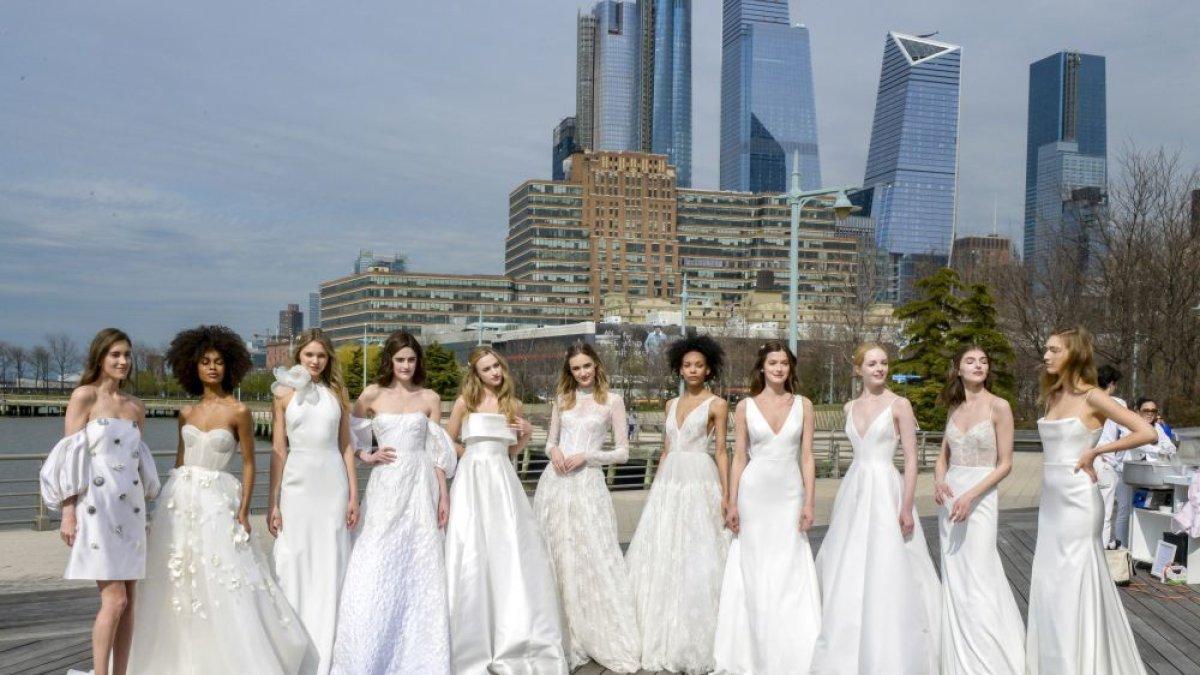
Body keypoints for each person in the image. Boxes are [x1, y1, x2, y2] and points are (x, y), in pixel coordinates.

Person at [129, 325, 312, 673]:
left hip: (217, 502)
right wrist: (161, 509)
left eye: (218, 362)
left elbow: (249, 463)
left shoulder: (238, 411)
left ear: (229, 366)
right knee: (178, 577)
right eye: (205, 362)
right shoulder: (186, 412)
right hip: (179, 500)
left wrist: (244, 510)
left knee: (223, 576)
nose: (212, 368)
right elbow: (180, 462)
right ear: (193, 367)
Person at [1027, 326, 1154, 674]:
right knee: (1050, 583)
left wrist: (1097, 450)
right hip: (1051, 503)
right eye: (1046, 349)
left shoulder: (1093, 396)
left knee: (1074, 581)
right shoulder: (1052, 395)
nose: (1046, 355)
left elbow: (1147, 431)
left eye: (1054, 350)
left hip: (1079, 502)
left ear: (1075, 354)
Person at [809, 343, 940, 675]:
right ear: (858, 370)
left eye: (883, 362)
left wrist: (906, 505)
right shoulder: (849, 406)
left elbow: (911, 459)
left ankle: (889, 646)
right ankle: (848, 645)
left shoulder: (900, 405)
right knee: (849, 562)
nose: (879, 368)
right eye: (872, 364)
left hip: (886, 488)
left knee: (889, 562)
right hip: (854, 489)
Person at [332, 331, 457, 674]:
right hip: (386, 486)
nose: (406, 365)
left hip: (420, 487)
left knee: (419, 561)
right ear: (390, 360)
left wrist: (443, 494)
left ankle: (417, 656)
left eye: (411, 359)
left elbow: (436, 450)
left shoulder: (430, 397)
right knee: (374, 558)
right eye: (400, 359)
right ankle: (366, 652)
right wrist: (366, 455)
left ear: (418, 362)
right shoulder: (372, 394)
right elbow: (349, 436)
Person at [39, 328, 160, 675]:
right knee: (115, 599)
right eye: (115, 354)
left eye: (127, 355)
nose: (123, 361)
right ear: (100, 357)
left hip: (131, 508)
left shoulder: (136, 406)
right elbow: (69, 458)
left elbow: (135, 461)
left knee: (130, 601)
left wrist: (147, 513)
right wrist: (68, 512)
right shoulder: (84, 397)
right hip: (96, 506)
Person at [444, 346, 568, 674]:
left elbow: (513, 449)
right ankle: (468, 637)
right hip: (472, 478)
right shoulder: (464, 402)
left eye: (497, 366)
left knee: (507, 548)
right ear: (476, 373)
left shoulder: (512, 404)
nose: (495, 372)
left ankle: (513, 631)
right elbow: (446, 441)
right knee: (472, 546)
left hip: (502, 478)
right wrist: (472, 454)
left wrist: (524, 434)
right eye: (487, 368)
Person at [713, 341, 821, 674]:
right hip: (754, 494)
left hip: (789, 493)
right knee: (753, 565)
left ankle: (793, 647)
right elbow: (739, 457)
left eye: (784, 363)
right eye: (773, 362)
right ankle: (752, 647)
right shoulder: (745, 406)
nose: (778, 368)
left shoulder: (804, 405)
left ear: (791, 368)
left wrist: (810, 500)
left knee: (789, 565)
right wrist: (731, 501)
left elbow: (807, 457)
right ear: (762, 367)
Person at [626, 335, 731, 674]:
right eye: (687, 365)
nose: (693, 370)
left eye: (699, 365)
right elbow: (666, 448)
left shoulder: (718, 404)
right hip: (669, 482)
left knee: (698, 549)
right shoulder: (670, 404)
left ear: (709, 369)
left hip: (700, 478)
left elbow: (721, 451)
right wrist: (656, 487)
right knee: (662, 549)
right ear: (679, 369)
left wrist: (727, 494)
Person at [533, 343, 640, 672]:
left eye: (586, 366)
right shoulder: (561, 399)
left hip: (587, 485)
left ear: (596, 365)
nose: (582, 373)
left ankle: (592, 629)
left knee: (591, 552)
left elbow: (622, 453)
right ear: (570, 371)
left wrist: (587, 456)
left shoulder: (613, 401)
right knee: (554, 552)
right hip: (554, 484)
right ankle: (557, 629)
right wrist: (554, 452)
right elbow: (550, 442)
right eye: (576, 368)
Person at [268, 329, 359, 675]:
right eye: (309, 355)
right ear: (299, 356)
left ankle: (330, 650)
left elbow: (346, 446)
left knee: (331, 558)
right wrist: (273, 502)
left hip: (332, 484)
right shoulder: (283, 394)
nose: (315, 361)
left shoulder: (338, 393)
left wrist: (354, 494)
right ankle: (296, 648)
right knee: (295, 557)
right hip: (297, 485)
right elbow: (278, 450)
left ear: (328, 358)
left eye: (321, 355)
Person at [932, 345, 1024, 675]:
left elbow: (1006, 464)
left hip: (980, 496)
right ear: (957, 368)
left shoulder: (999, 406)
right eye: (970, 361)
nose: (978, 365)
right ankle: (958, 658)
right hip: (951, 499)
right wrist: (939, 481)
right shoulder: (954, 408)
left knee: (980, 573)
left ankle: (989, 659)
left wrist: (971, 495)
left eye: (983, 361)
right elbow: (942, 457)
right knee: (956, 575)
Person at [1108, 397, 1178, 548]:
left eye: (1153, 410)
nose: (1150, 413)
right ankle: (1122, 545)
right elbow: (1136, 443)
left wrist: (1163, 448)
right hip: (1126, 473)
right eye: (1146, 410)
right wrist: (1158, 449)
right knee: (1125, 509)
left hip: (1147, 475)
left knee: (1144, 510)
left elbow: (1171, 447)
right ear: (1137, 411)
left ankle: (1140, 546)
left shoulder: (1157, 428)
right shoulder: (1129, 426)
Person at [1094, 364, 1125, 547]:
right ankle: (1101, 555)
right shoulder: (1117, 403)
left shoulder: (1084, 399)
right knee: (1104, 514)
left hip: (1085, 461)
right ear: (1112, 383)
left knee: (1087, 513)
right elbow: (1128, 433)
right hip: (1105, 462)